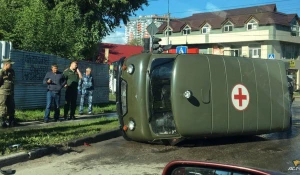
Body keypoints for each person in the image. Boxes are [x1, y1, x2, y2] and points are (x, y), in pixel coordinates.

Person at [0, 58, 15, 128]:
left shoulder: (12, 71)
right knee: (3, 106)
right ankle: (2, 120)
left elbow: (13, 81)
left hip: (11, 92)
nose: (11, 66)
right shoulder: (1, 72)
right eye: (10, 64)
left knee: (11, 106)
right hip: (3, 92)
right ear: (6, 64)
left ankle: (11, 120)